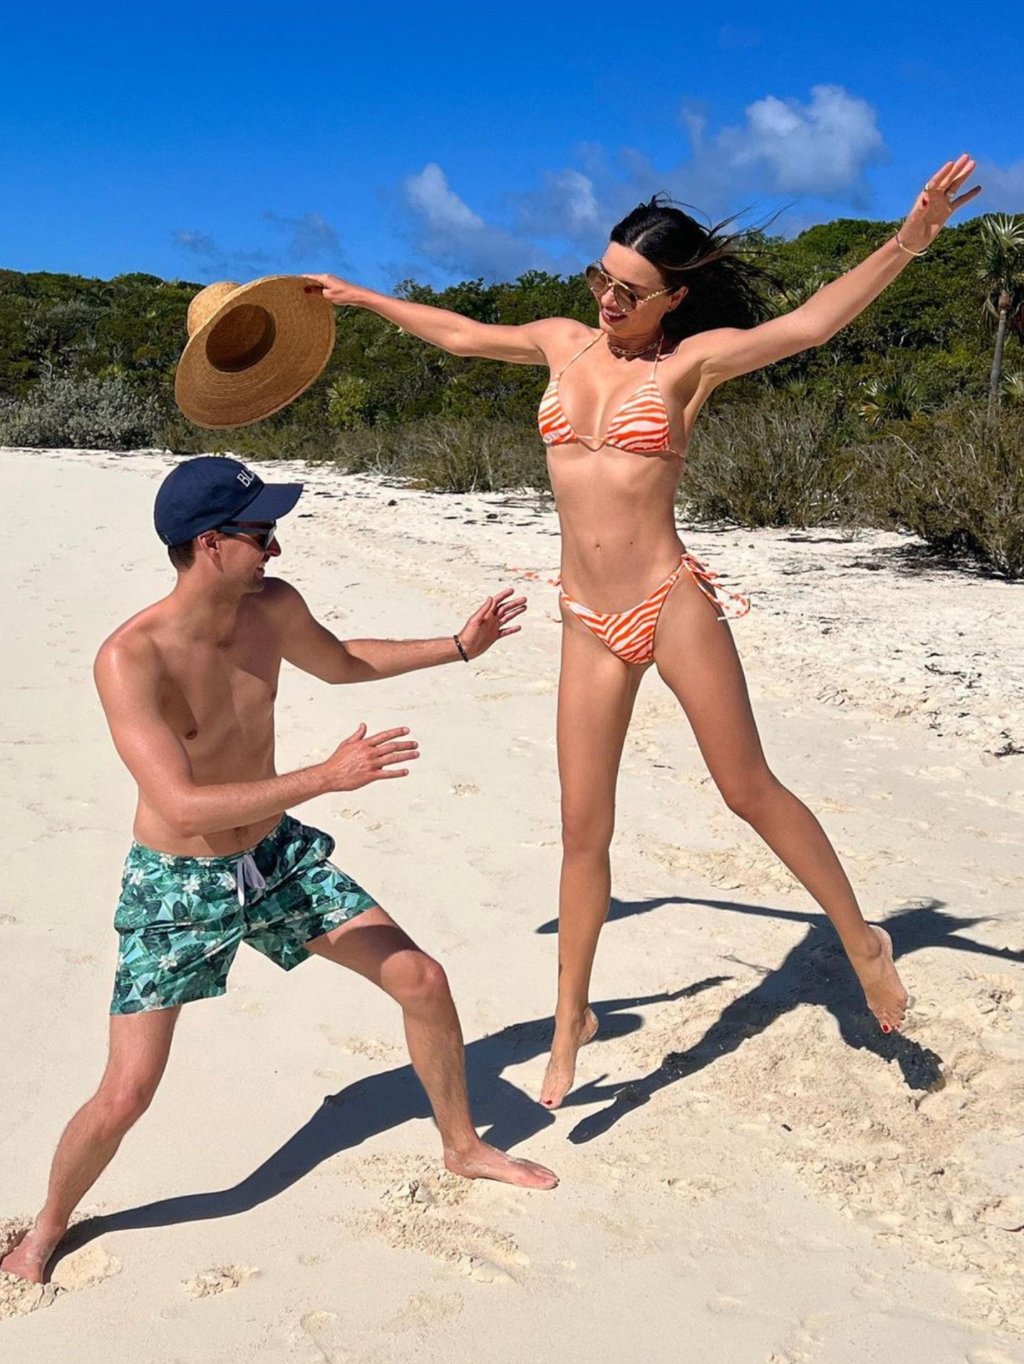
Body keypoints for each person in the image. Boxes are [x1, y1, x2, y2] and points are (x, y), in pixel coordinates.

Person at [305, 155, 981, 1111]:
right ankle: (570, 1018)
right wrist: (360, 295)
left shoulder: (690, 364)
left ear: (676, 297)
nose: (608, 299)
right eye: (600, 278)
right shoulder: (559, 342)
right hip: (585, 615)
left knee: (747, 788)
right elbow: (457, 337)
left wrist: (909, 240)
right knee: (584, 830)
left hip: (667, 601)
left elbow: (812, 323)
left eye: (628, 290)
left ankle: (862, 939)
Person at [1, 456, 556, 1286]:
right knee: (127, 1091)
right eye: (262, 534)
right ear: (211, 543)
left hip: (275, 857)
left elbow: (340, 662)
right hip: (178, 885)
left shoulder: (272, 607)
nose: (277, 548)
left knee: (422, 979)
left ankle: (463, 1145)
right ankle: (46, 1228)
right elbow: (183, 805)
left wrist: (457, 646)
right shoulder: (130, 657)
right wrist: (325, 778)